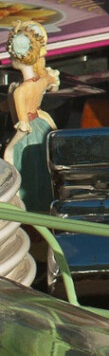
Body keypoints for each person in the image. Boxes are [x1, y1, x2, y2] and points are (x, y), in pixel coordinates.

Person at [4, 20, 60, 213]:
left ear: (17, 55)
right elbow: (53, 83)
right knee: (43, 175)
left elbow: (23, 126)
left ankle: (33, 219)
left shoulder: (21, 91)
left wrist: (9, 149)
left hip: (27, 136)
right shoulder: (41, 79)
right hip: (42, 126)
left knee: (27, 177)